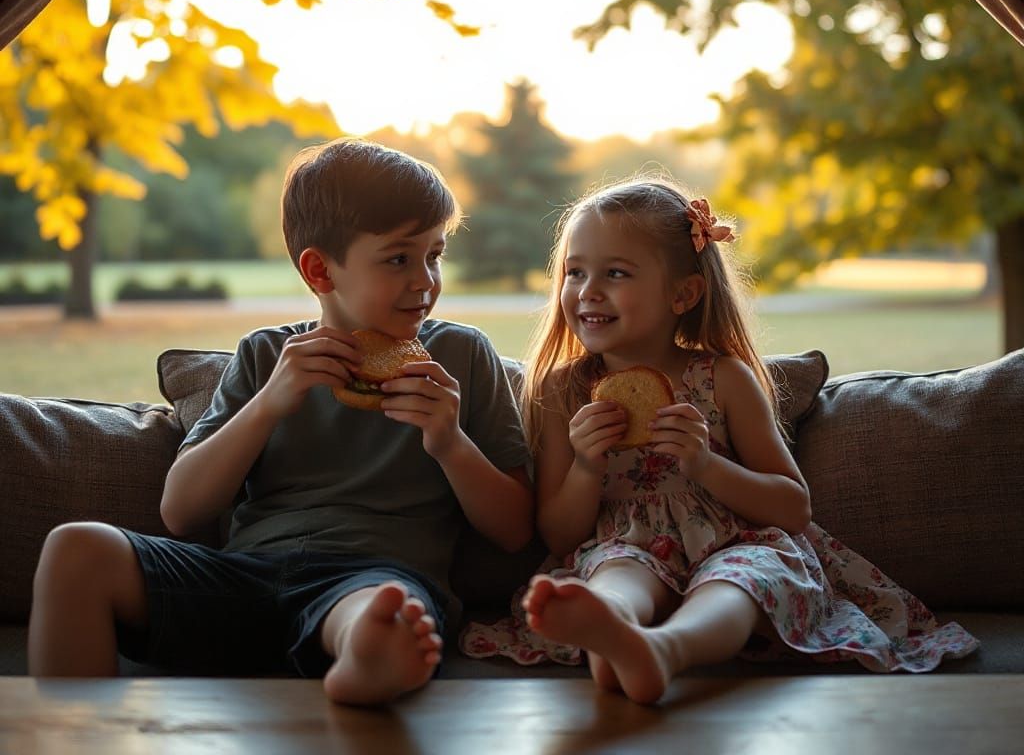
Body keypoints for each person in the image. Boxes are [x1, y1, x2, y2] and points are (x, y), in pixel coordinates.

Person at [29, 138, 533, 705]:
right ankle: (64, 735)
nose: (425, 281)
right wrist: (268, 404)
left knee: (384, 611)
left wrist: (449, 442)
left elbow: (514, 531)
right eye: (398, 258)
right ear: (320, 270)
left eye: (434, 255)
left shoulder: (461, 358)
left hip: (370, 580)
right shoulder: (268, 356)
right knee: (76, 549)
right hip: (242, 580)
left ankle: (365, 658)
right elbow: (180, 510)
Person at [461, 175, 978, 703]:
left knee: (740, 581)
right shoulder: (564, 389)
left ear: (683, 293)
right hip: (625, 547)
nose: (588, 290)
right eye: (575, 272)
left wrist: (706, 464)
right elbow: (559, 535)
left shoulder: (724, 379)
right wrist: (587, 467)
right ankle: (612, 625)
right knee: (617, 574)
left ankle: (667, 649)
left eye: (615, 273)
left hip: (737, 544)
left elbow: (792, 507)